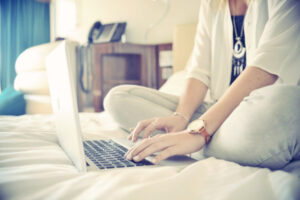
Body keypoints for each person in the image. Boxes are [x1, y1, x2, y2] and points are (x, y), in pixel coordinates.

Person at [104, 0, 300, 171]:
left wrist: (199, 131)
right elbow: (200, 69)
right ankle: (193, 140)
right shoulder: (212, 3)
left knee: (286, 103)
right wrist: (181, 116)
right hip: (217, 111)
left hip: (261, 112)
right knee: (118, 98)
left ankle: (193, 141)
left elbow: (265, 68)